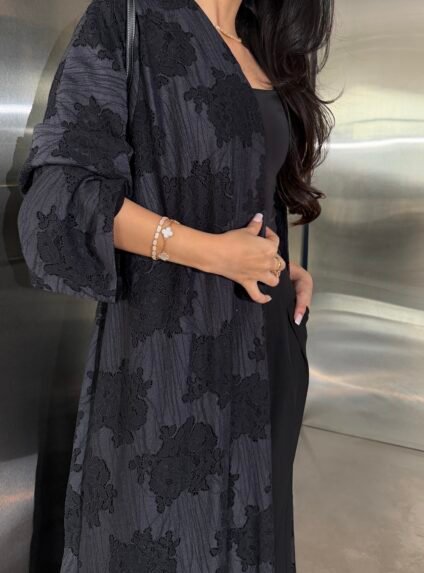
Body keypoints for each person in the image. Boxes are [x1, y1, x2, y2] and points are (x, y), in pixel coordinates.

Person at [17, 0, 335, 571]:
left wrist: (278, 265)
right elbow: (63, 193)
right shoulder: (128, 17)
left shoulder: (265, 40)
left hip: (267, 354)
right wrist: (213, 252)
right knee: (165, 538)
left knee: (256, 540)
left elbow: (253, 186)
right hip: (168, 360)